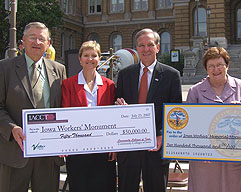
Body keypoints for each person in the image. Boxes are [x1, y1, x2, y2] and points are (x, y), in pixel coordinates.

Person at [0, 22, 66, 191]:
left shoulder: (58, 70)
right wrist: (12, 128)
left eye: (41, 39)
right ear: (23, 40)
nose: (37, 42)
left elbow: (64, 109)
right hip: (15, 151)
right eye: (32, 37)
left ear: (48, 43)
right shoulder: (4, 68)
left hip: (48, 155)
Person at [115, 28, 182, 192]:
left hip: (156, 146)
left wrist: (161, 134)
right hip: (129, 146)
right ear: (136, 48)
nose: (145, 49)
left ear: (157, 47)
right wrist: (119, 107)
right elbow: (116, 105)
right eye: (141, 45)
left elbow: (175, 112)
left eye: (150, 45)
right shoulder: (125, 75)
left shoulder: (171, 75)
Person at [186, 47, 241, 192]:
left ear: (227, 66)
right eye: (211, 66)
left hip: (233, 156)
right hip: (205, 159)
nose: (216, 69)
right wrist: (200, 150)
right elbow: (190, 127)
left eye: (219, 65)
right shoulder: (195, 91)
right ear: (206, 69)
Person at [61, 40, 117, 192]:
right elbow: (65, 115)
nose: (90, 59)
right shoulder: (68, 84)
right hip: (77, 149)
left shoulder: (109, 85)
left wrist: (114, 145)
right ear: (80, 59)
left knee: (104, 186)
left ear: (100, 59)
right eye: (86, 55)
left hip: (103, 148)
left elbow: (113, 118)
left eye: (94, 55)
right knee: (80, 186)